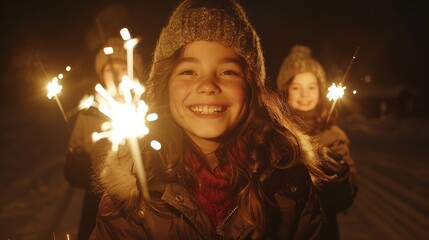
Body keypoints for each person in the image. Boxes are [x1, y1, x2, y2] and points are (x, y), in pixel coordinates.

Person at [90, 0, 330, 239]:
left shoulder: (287, 184)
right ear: (165, 86)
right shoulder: (131, 193)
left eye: (228, 72)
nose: (207, 85)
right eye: (188, 72)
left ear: (252, 87)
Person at [63, 37, 143, 240]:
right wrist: (77, 161)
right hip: (96, 205)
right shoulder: (88, 116)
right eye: (110, 69)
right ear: (100, 75)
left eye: (122, 68)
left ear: (134, 73)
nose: (116, 76)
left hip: (142, 207)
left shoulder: (147, 113)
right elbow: (74, 177)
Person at [276, 45, 358, 240]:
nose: (305, 94)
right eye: (297, 87)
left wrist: (337, 176)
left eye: (311, 87)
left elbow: (347, 196)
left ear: (320, 90)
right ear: (285, 90)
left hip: (322, 232)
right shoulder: (273, 132)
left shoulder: (333, 136)